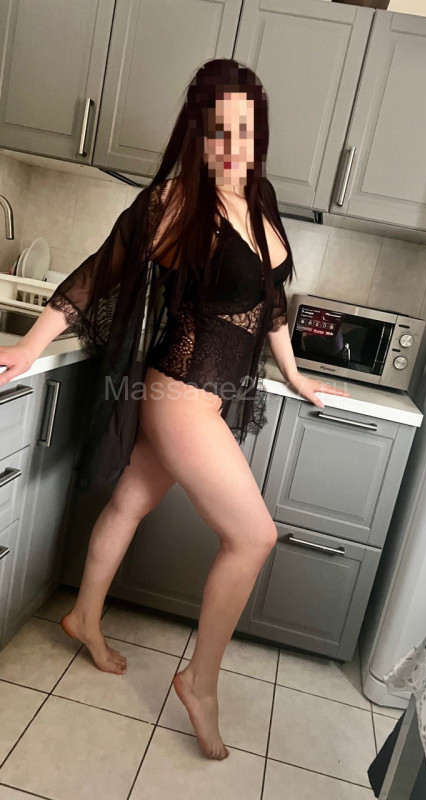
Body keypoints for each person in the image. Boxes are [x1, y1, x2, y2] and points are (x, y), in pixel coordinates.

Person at [0, 59, 350, 760]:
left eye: (244, 130)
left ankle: (83, 616)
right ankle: (200, 683)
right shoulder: (175, 201)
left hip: (200, 399)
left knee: (130, 503)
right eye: (218, 131)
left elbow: (271, 305)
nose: (232, 146)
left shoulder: (260, 196)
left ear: (258, 130)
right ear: (197, 133)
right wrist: (30, 347)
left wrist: (298, 376)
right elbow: (99, 272)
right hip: (178, 397)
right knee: (253, 537)